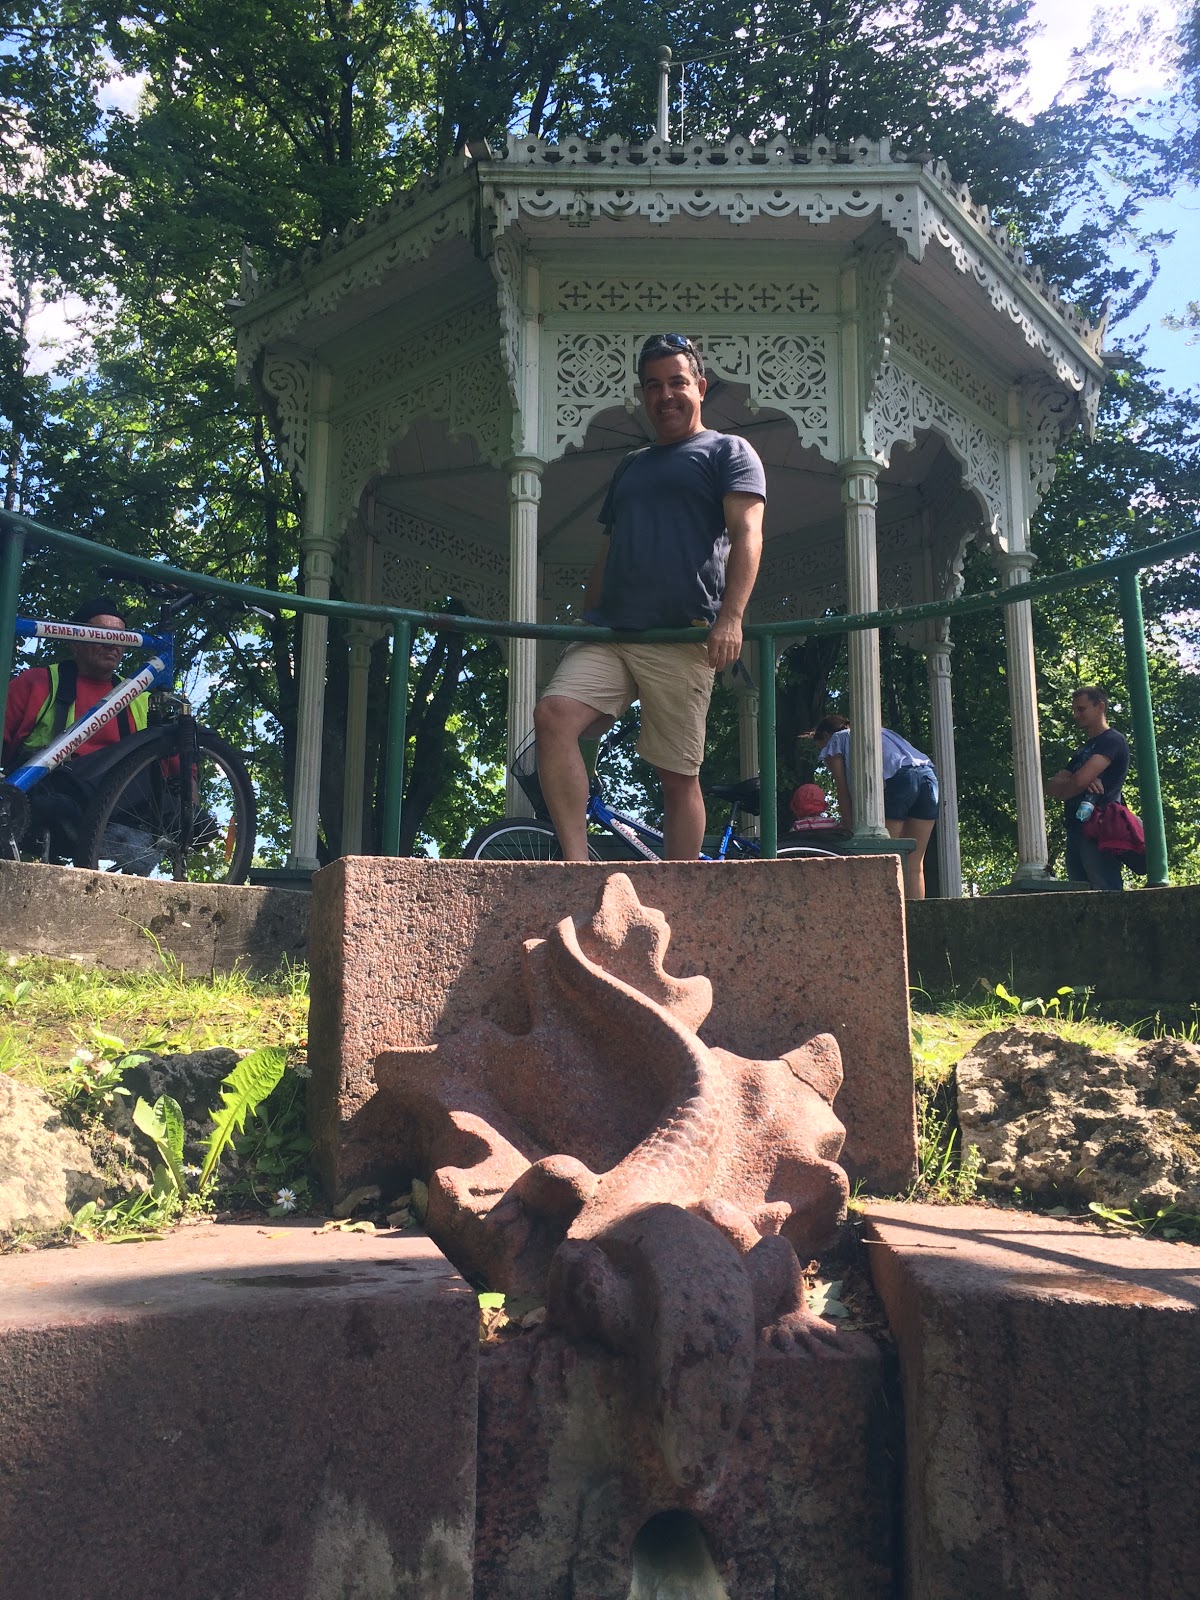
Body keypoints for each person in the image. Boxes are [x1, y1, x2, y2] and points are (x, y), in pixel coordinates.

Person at [534, 333, 766, 860]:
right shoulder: (631, 465)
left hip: (679, 636)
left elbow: (748, 532)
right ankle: (576, 869)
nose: (666, 395)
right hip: (612, 633)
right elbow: (609, 549)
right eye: (653, 386)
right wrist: (587, 622)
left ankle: (679, 901)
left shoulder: (728, 451)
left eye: (677, 382)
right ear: (643, 396)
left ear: (700, 387)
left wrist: (731, 617)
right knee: (552, 715)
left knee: (677, 775)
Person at [3, 596, 148, 857]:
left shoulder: (139, 698)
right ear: (74, 641)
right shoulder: (37, 682)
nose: (113, 643)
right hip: (47, 795)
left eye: (123, 637)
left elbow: (177, 767)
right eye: (101, 633)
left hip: (114, 805)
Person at [811, 714, 939, 899]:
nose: (826, 760)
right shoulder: (883, 732)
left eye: (822, 749)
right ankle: (915, 921)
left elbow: (843, 790)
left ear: (825, 736)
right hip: (928, 777)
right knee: (914, 863)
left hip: (900, 779)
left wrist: (848, 828)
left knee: (885, 857)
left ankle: (885, 919)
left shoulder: (838, 739)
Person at [1046, 685, 1130, 892]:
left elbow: (1079, 781)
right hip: (1076, 829)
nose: (1076, 715)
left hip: (1098, 830)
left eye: (1081, 709)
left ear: (1100, 707)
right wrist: (1075, 782)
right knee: (1081, 896)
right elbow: (1050, 787)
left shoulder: (1112, 740)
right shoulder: (1084, 749)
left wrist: (1074, 782)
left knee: (1105, 893)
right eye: (1074, 710)